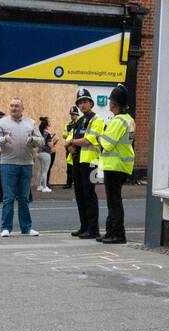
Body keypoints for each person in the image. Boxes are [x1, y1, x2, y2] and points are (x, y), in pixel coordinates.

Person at [0, 98, 44, 237]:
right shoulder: (1, 122)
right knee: (8, 197)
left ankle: (26, 228)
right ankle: (5, 228)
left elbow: (42, 140)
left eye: (17, 106)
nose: (14, 108)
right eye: (12, 106)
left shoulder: (31, 122)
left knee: (24, 198)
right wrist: (4, 139)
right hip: (7, 164)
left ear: (23, 108)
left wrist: (33, 139)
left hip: (26, 164)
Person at [93, 85, 135, 244]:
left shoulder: (118, 121)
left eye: (111, 100)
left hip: (115, 165)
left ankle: (117, 234)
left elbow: (107, 144)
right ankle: (110, 232)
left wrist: (98, 138)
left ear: (114, 104)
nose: (109, 102)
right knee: (113, 200)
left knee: (114, 201)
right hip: (121, 165)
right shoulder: (129, 119)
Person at [66, 89, 101, 239]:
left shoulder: (96, 120)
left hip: (91, 162)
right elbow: (68, 139)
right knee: (79, 195)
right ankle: (84, 227)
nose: (82, 105)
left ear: (91, 103)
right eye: (80, 103)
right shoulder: (79, 121)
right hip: (77, 161)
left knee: (89, 195)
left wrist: (72, 142)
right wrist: (70, 145)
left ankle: (93, 230)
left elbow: (88, 140)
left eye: (85, 102)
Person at [34, 116, 54, 194]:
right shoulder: (47, 134)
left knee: (40, 170)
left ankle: (39, 186)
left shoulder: (39, 133)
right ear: (46, 125)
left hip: (38, 153)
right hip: (46, 153)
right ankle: (44, 187)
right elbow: (50, 145)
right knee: (45, 171)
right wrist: (52, 139)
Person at [62, 106, 79, 189]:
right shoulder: (68, 125)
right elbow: (64, 135)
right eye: (71, 114)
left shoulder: (80, 123)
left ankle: (77, 183)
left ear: (77, 114)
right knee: (69, 166)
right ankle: (68, 183)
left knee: (77, 167)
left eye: (74, 114)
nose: (72, 116)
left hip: (77, 148)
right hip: (69, 147)